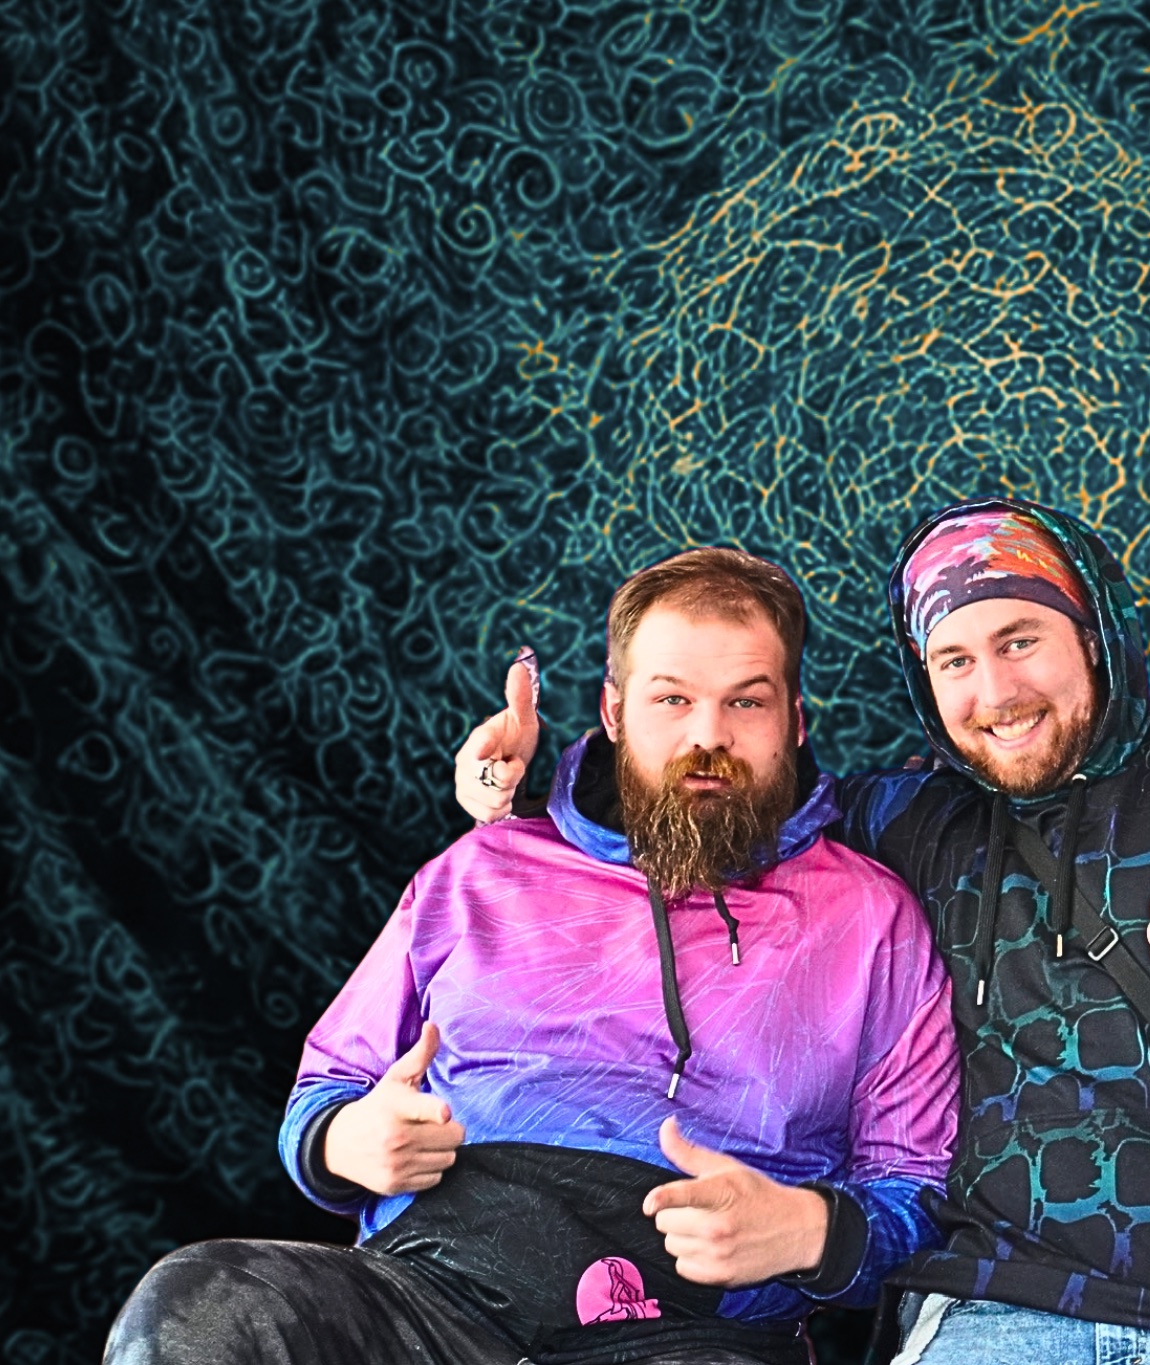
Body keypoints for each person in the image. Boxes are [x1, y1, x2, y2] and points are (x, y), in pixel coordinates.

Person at [458, 500, 1150, 1364]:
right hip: (984, 1316)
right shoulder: (893, 825)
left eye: (1020, 640)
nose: (995, 692)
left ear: (1091, 636)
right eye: (954, 661)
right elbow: (718, 805)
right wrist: (557, 787)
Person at [107, 548, 958, 1365]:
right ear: (615, 712)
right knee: (196, 1301)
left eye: (747, 701)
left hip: (696, 1335)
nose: (710, 737)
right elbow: (324, 1091)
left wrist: (809, 1230)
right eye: (672, 700)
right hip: (427, 1297)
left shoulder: (872, 917)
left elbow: (916, 1185)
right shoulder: (478, 873)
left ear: (796, 720)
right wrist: (346, 1140)